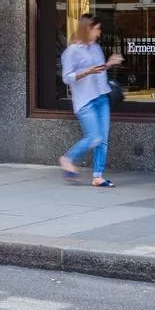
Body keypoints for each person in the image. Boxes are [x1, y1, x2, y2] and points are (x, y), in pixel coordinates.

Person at [59, 14, 122, 187]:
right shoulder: (72, 51)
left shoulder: (96, 47)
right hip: (85, 100)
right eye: (97, 29)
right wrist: (86, 71)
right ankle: (67, 158)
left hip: (102, 97)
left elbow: (98, 70)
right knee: (94, 137)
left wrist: (108, 64)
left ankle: (97, 176)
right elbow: (66, 77)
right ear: (87, 29)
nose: (99, 33)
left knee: (103, 139)